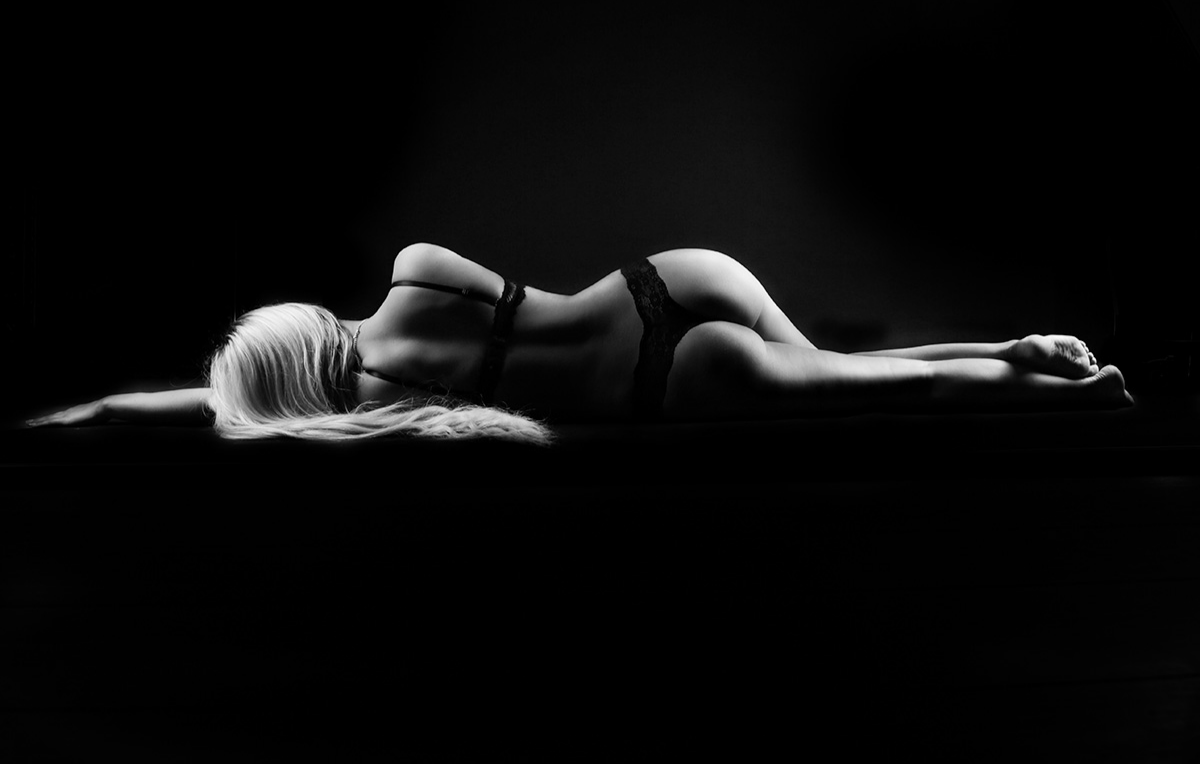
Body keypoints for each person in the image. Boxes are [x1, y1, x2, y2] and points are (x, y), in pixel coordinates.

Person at [26, 244, 1133, 446]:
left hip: (668, 378)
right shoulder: (413, 272)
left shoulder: (371, 408)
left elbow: (190, 409)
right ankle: (1014, 347)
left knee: (878, 394)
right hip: (670, 277)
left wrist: (60, 424)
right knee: (856, 370)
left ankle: (1072, 395)